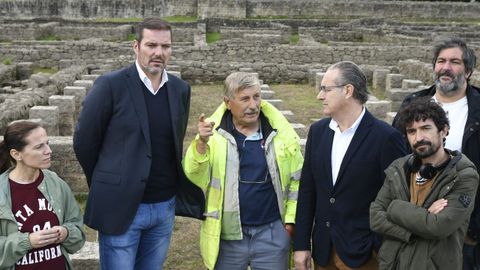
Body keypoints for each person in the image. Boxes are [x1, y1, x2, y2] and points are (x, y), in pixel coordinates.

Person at [73, 18, 205, 269]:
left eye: (165, 46)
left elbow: (173, 142)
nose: (159, 53)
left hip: (164, 207)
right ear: (136, 46)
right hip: (123, 206)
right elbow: (84, 143)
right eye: (151, 45)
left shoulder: (180, 89)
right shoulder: (110, 85)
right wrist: (107, 181)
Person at [183, 72, 304, 270]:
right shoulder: (212, 136)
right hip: (227, 237)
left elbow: (298, 181)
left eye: (256, 97)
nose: (253, 105)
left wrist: (290, 223)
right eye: (245, 99)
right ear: (228, 102)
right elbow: (193, 176)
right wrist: (201, 145)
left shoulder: (281, 135)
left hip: (272, 234)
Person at [294, 61, 407, 270]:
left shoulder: (386, 138)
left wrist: (377, 247)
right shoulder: (318, 132)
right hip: (323, 252)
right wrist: (301, 245)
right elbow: (308, 191)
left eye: (325, 89)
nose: (320, 96)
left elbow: (397, 200)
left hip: (365, 256)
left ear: (348, 91)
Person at [392, 37, 480, 270]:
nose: (446, 67)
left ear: (468, 71)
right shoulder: (412, 103)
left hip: (468, 231)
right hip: (418, 223)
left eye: (455, 62)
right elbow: (397, 162)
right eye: (441, 61)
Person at [371, 97, 479, 269]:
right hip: (394, 264)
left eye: (426, 128)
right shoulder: (399, 167)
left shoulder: (464, 175)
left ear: (443, 130)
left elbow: (438, 227)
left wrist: (394, 207)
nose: (418, 137)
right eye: (411, 131)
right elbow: (375, 217)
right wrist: (422, 219)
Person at [0, 120, 85, 269]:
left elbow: (78, 234)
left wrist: (66, 233)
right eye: (39, 147)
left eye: (48, 143)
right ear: (16, 154)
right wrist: (27, 241)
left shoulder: (57, 184)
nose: (48, 151)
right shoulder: (2, 192)